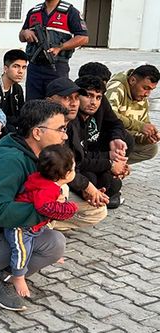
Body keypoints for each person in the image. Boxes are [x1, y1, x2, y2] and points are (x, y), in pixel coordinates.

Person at [0, 100, 68, 311]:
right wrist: (48, 210)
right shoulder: (8, 161)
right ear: (37, 132)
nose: (64, 135)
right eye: (61, 129)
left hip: (2, 235)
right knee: (54, 244)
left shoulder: (34, 154)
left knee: (53, 241)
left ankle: (7, 273)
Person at [4, 144, 77, 298]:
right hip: (20, 227)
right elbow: (45, 207)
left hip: (35, 226)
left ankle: (51, 254)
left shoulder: (46, 180)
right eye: (74, 169)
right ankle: (18, 276)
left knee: (42, 238)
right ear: (67, 173)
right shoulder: (47, 189)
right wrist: (69, 208)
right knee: (22, 251)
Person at [44, 78, 109, 230]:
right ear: (49, 101)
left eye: (75, 98)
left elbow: (76, 164)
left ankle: (49, 223)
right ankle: (40, 228)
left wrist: (85, 190)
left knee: (98, 210)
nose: (73, 103)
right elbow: (55, 169)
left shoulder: (73, 124)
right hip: (42, 187)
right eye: (67, 98)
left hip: (66, 182)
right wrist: (86, 186)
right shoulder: (44, 126)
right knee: (62, 188)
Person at [73, 75, 130, 209]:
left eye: (98, 97)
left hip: (90, 155)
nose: (94, 102)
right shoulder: (71, 119)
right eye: (89, 96)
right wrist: (109, 163)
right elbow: (78, 160)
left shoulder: (98, 106)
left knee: (112, 182)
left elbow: (116, 123)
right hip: (74, 166)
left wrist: (116, 141)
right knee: (91, 178)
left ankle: (103, 193)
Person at [19, 0, 89, 100]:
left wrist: (60, 47)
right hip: (35, 67)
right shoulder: (34, 11)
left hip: (57, 66)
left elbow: (83, 38)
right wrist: (25, 32)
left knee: (57, 103)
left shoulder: (70, 12)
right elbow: (21, 36)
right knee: (32, 104)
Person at [106, 64, 160, 164]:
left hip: (125, 136)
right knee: (127, 138)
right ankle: (107, 164)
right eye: (145, 88)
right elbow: (109, 114)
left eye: (151, 90)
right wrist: (139, 126)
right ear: (132, 81)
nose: (147, 94)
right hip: (108, 133)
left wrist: (147, 138)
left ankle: (116, 164)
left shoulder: (142, 99)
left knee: (151, 148)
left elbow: (143, 126)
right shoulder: (117, 88)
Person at [0, 49, 27, 131]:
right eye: (16, 66)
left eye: (24, 67)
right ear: (5, 68)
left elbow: (21, 114)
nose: (20, 71)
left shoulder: (17, 89)